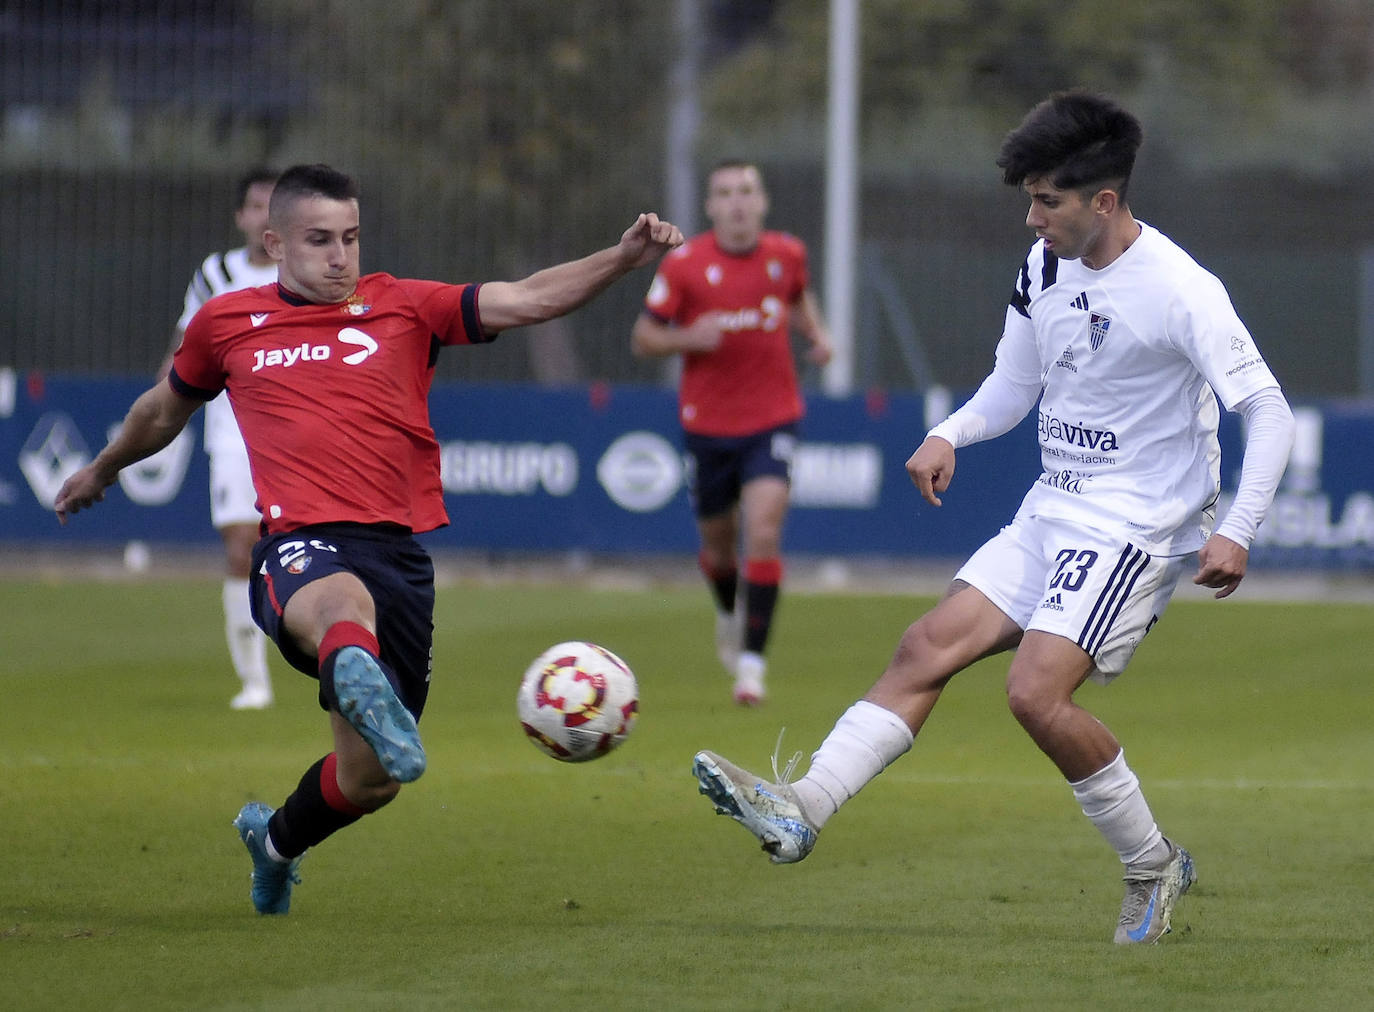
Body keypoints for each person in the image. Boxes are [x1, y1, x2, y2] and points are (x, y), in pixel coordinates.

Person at [691, 92, 1296, 945]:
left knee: (1034, 694)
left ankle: (1152, 864)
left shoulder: (1181, 289)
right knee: (923, 647)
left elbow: (1268, 411)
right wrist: (950, 433)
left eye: (1047, 199)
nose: (1031, 216)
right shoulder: (1043, 268)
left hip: (1135, 528)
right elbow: (1014, 385)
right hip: (1052, 508)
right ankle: (803, 808)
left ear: (1105, 202)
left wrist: (1239, 527)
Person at [56, 163, 683, 916]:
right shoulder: (227, 323)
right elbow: (161, 412)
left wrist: (620, 258)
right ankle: (349, 658)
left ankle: (276, 842)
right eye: (319, 239)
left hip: (399, 559)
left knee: (369, 781)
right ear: (273, 242)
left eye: (350, 237)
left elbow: (526, 299)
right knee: (339, 603)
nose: (339, 256)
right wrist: (101, 468)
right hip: (297, 548)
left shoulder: (402, 305)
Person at [630, 160, 833, 706]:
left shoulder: (786, 254)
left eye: (746, 191)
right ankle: (728, 609)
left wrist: (816, 334)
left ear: (762, 201)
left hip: (773, 417)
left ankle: (751, 667)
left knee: (763, 529)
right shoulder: (686, 265)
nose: (737, 202)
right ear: (711, 206)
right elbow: (645, 337)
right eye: (725, 193)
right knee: (719, 550)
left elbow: (794, 298)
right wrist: (688, 337)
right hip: (709, 425)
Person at [160, 167, 280, 710]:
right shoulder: (217, 272)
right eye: (256, 206)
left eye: (274, 206)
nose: (264, 217)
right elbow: (187, 345)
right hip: (232, 425)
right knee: (241, 546)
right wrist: (158, 410)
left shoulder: (306, 270)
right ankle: (254, 681)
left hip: (297, 427)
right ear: (241, 216)